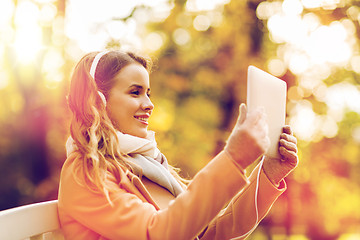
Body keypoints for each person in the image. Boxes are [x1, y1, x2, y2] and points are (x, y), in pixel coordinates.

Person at [58, 50, 298, 240]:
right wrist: (233, 158)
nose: (149, 104)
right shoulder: (85, 170)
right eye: (135, 92)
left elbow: (210, 235)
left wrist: (269, 173)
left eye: (148, 93)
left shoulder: (149, 165)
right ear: (98, 102)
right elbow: (159, 233)